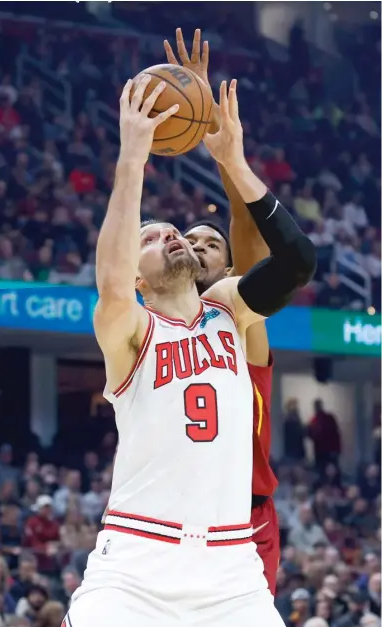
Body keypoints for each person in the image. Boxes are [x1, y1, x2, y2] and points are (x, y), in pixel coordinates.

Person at [67, 66, 315, 625]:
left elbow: (298, 263)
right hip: (135, 564)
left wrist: (235, 163)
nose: (171, 235)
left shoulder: (229, 308)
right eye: (150, 238)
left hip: (231, 568)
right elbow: (109, 280)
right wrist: (133, 156)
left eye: (173, 231)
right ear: (136, 275)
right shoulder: (129, 330)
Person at [166, 28, 280, 595]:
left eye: (210, 242)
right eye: (189, 239)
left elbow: (249, 236)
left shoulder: (238, 316)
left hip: (244, 513)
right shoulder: (155, 320)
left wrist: (216, 138)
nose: (197, 244)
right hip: (173, 516)